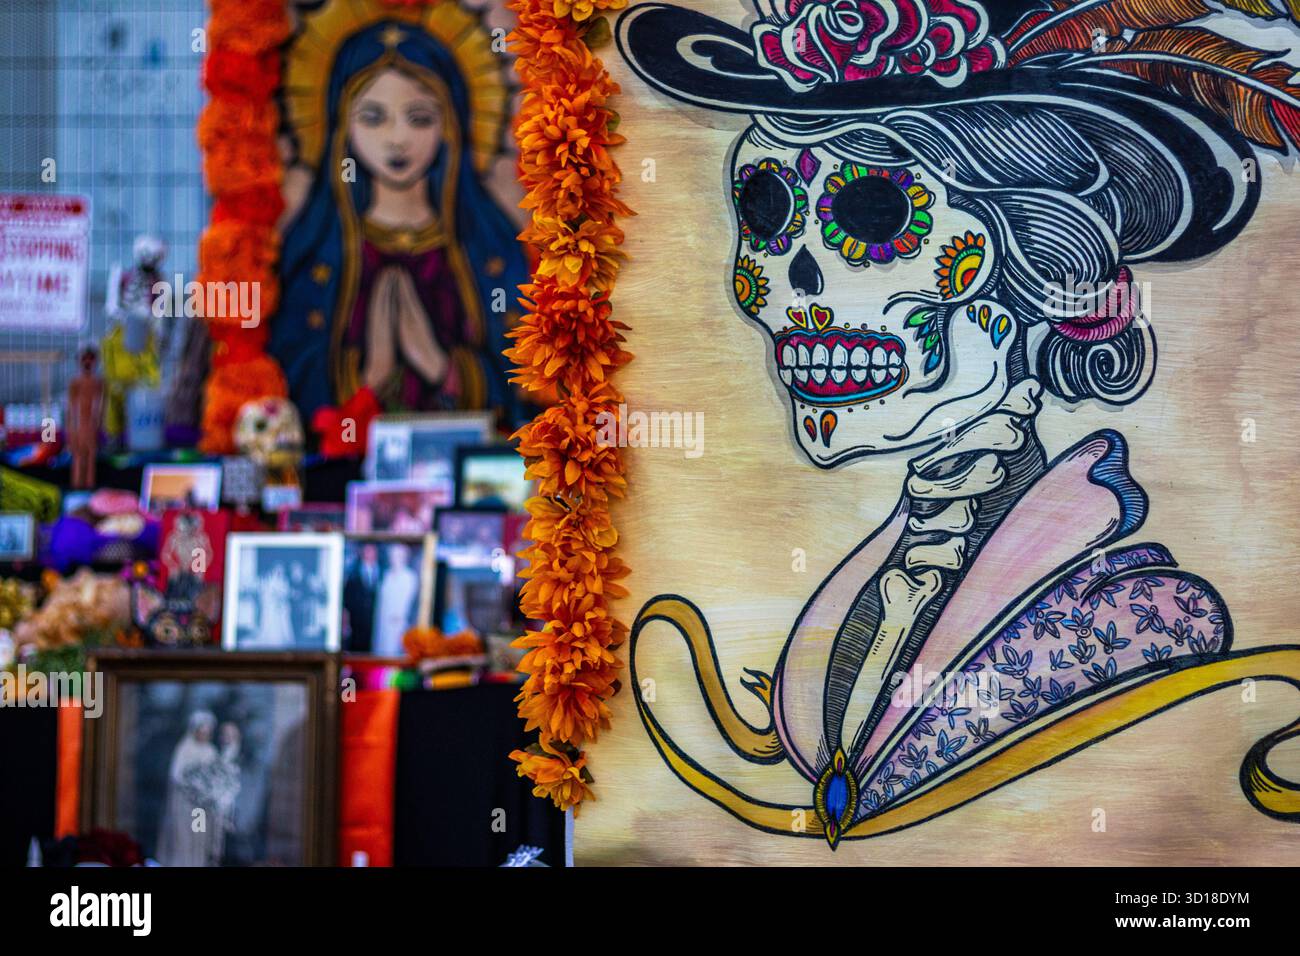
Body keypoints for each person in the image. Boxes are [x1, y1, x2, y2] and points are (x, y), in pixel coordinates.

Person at [272, 20, 528, 425]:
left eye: (420, 118)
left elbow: (526, 378)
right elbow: (292, 372)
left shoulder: (487, 249)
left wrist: (440, 366)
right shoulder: (317, 250)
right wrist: (370, 374)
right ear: (343, 129)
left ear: (450, 125)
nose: (397, 139)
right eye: (374, 118)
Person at [374, 541, 418, 657]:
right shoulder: (387, 575)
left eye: (397, 555)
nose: (394, 558)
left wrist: (399, 617)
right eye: (392, 555)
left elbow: (408, 604)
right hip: (382, 623)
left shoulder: (409, 577)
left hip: (397, 624)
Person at [343, 542, 381, 652]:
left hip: (375, 619)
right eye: (367, 551)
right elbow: (348, 598)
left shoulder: (382, 571)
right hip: (357, 620)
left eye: (373, 551)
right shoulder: (353, 572)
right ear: (362, 553)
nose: (370, 554)